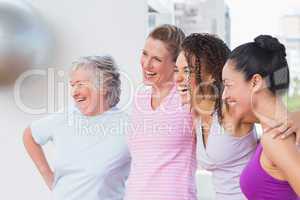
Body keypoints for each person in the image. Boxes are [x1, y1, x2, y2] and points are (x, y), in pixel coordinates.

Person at [175, 33, 300, 199]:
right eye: (176, 70)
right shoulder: (196, 115)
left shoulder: (274, 136)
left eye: (188, 71)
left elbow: (273, 114)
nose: (178, 78)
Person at [23, 55, 131, 200]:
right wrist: (49, 178)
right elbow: (29, 135)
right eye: (72, 85)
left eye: (80, 84)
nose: (74, 92)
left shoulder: (128, 127)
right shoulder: (65, 118)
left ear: (104, 86)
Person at [222, 35, 300, 199]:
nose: (224, 95)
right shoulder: (275, 134)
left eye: (228, 85)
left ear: (255, 82)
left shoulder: (277, 137)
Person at [125, 24, 197, 200]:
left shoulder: (187, 98)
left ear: (175, 64)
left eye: (156, 59)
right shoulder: (140, 98)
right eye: (144, 54)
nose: (146, 64)